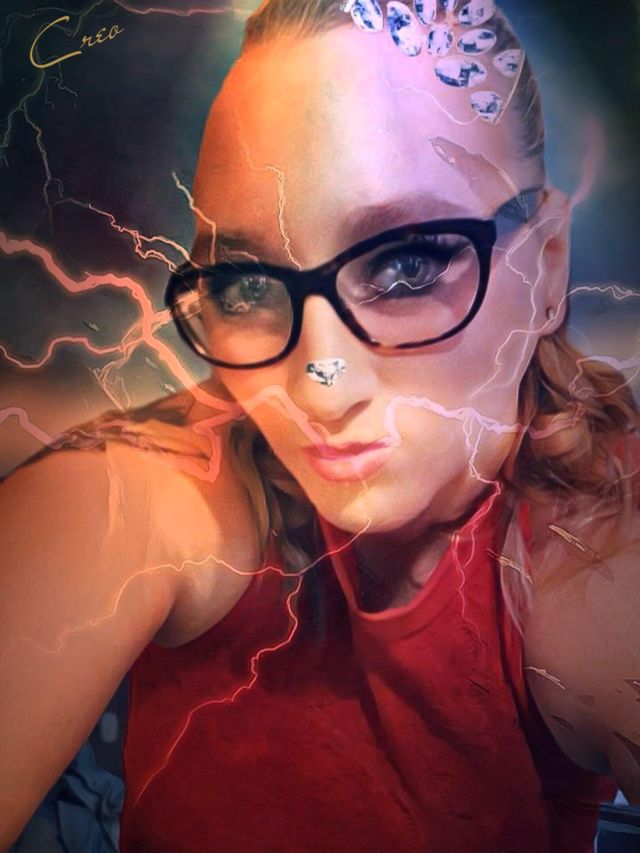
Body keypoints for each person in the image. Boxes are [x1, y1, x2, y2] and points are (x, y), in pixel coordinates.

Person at [1, 0, 639, 850]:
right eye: (247, 284)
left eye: (407, 265)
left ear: (547, 267)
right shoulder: (170, 486)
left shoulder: (597, 550)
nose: (320, 388)